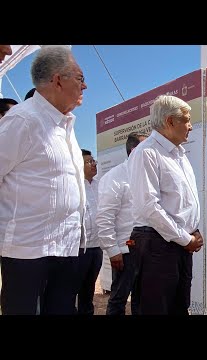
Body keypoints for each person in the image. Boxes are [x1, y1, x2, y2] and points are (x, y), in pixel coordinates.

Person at [0, 45, 87, 315]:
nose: (85, 86)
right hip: (26, 251)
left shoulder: (65, 126)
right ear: (58, 79)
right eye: (80, 78)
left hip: (66, 247)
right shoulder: (22, 120)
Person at [128, 95, 204, 315]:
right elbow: (148, 207)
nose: (190, 126)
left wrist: (190, 233)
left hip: (178, 244)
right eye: (187, 120)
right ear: (170, 121)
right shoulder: (147, 153)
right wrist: (185, 238)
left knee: (179, 308)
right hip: (157, 246)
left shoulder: (178, 154)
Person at [96, 132, 147, 315]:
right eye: (146, 147)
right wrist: (112, 250)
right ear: (134, 150)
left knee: (142, 300)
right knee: (119, 298)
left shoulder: (148, 175)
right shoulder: (115, 177)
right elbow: (104, 217)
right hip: (126, 251)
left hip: (147, 249)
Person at [76, 149, 102, 315]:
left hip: (96, 249)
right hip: (78, 250)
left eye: (94, 161)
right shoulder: (75, 186)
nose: (93, 164)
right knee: (70, 291)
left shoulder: (100, 186)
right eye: (89, 162)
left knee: (88, 291)